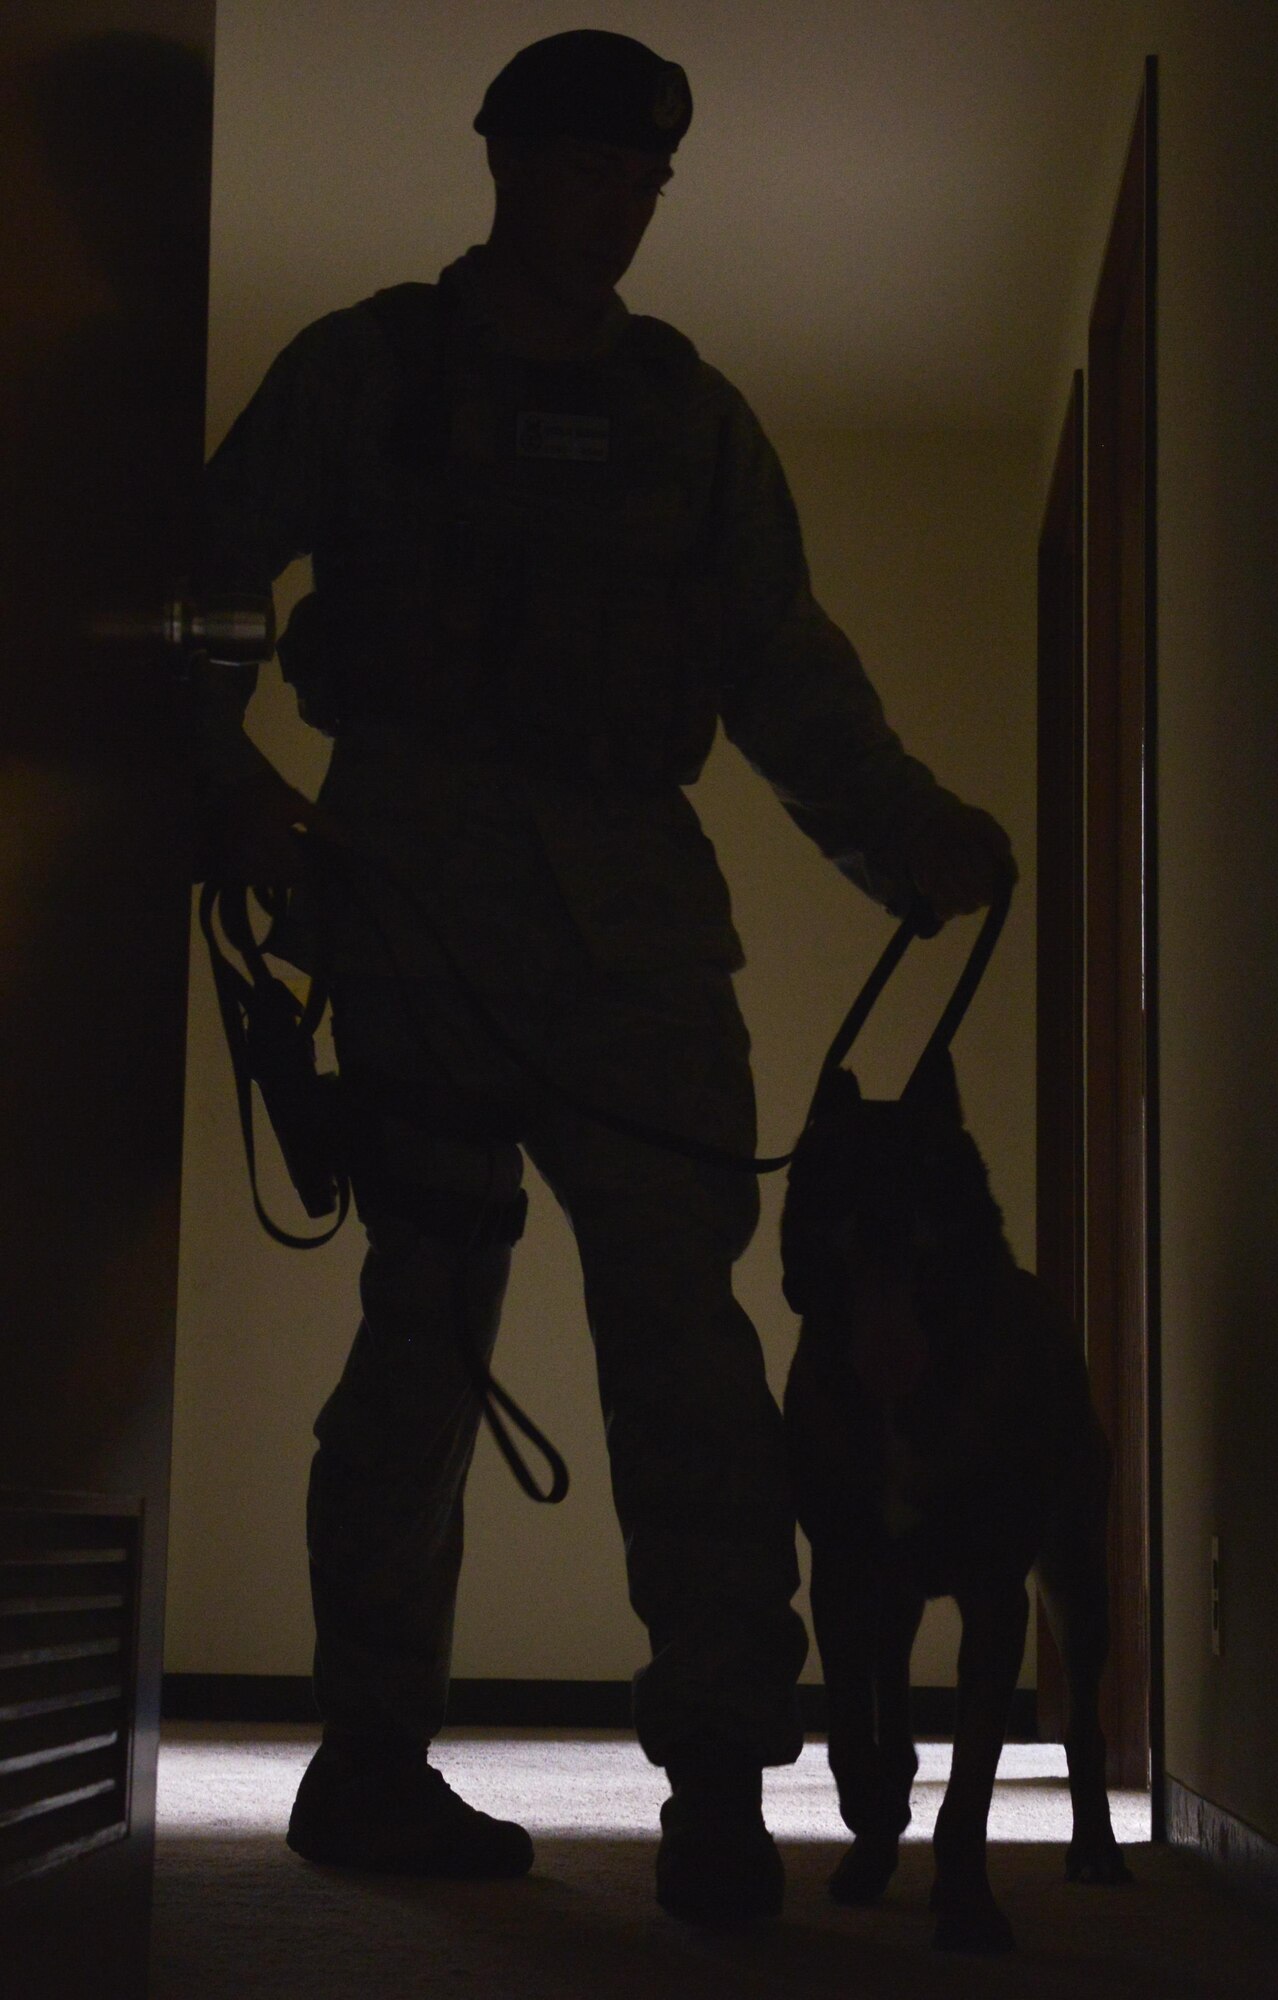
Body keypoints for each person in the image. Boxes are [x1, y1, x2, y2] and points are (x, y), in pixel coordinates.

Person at [192, 28, 1016, 1926]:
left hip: (638, 933)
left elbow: (782, 669)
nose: (621, 206)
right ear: (504, 167)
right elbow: (209, 574)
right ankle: (374, 1759)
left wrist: (912, 835)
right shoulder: (371, 371)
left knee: (690, 1345)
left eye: (648, 179)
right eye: (588, 169)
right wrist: (223, 773)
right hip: (407, 909)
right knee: (421, 1336)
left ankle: (720, 1775)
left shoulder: (688, 416)